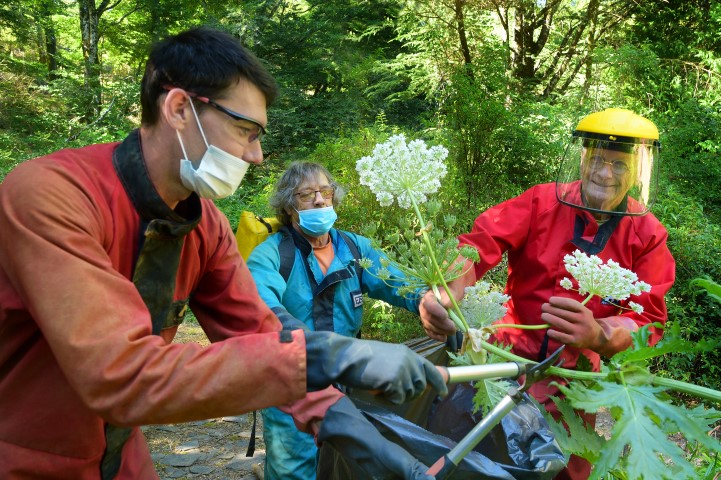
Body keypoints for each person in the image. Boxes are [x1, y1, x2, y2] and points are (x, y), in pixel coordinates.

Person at [0, 27, 447, 480]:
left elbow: (259, 336)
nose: (256, 155)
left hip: (119, 454)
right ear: (179, 109)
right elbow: (120, 374)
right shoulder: (52, 197)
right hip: (23, 458)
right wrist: (331, 356)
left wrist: (355, 434)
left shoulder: (205, 225)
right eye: (244, 130)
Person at [419, 108, 676, 479]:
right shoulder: (540, 202)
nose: (605, 174)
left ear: (635, 173)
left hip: (577, 389)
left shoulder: (648, 234)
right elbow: (477, 246)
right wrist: (444, 292)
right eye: (599, 160)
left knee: (565, 471)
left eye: (619, 165)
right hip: (505, 367)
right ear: (583, 158)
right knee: (483, 463)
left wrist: (600, 334)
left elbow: (649, 320)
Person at [247, 161, 423, 480]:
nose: (319, 200)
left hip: (346, 385)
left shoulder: (355, 249)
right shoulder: (272, 254)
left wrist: (428, 302)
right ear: (289, 206)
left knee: (348, 468)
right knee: (294, 471)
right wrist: (304, 343)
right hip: (291, 384)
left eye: (325, 191)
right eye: (306, 194)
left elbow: (399, 283)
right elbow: (259, 306)